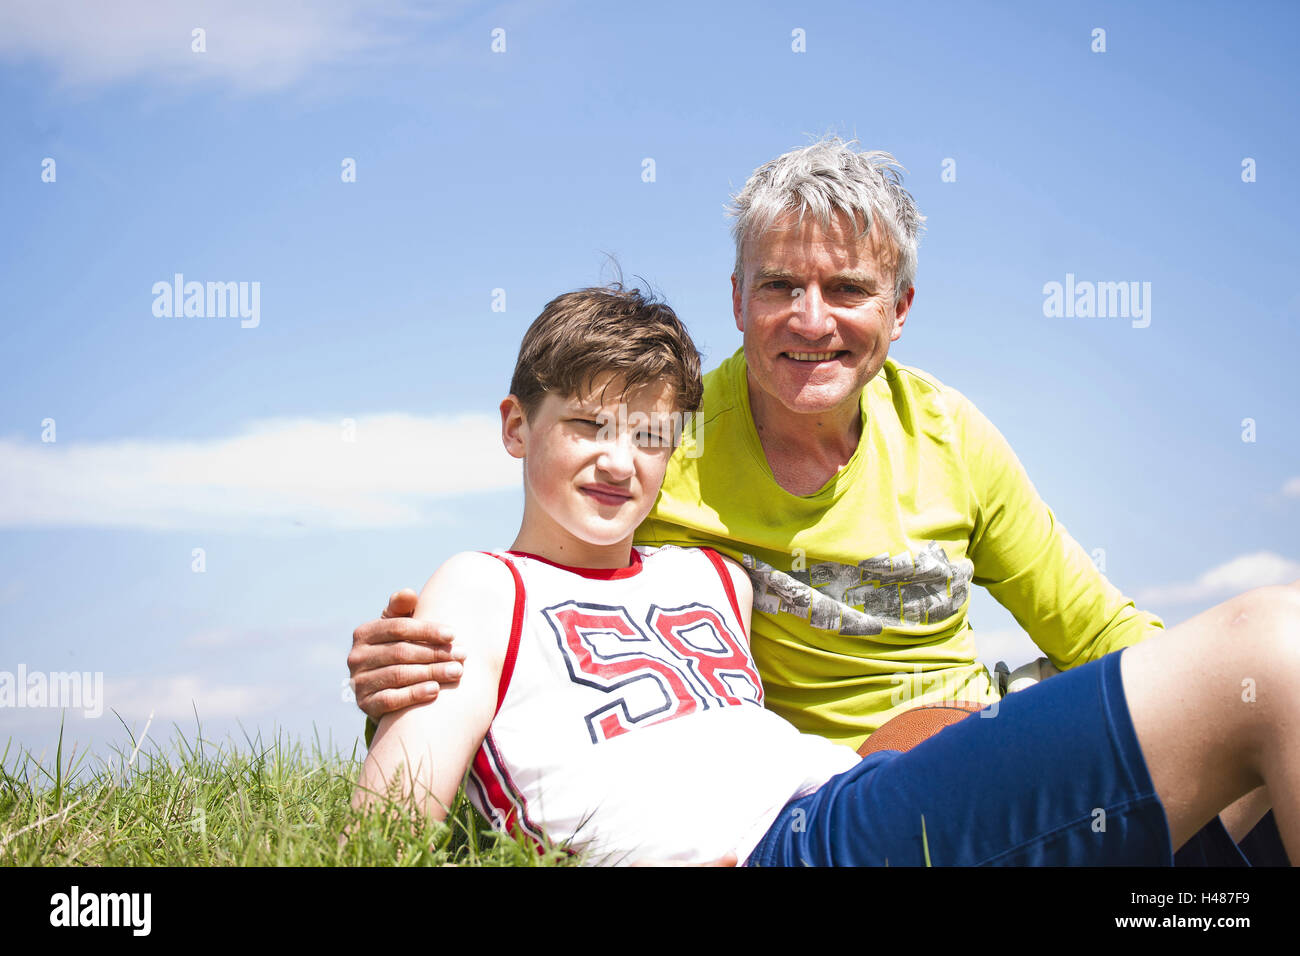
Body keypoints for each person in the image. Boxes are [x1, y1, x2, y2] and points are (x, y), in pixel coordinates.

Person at [348, 137, 1293, 863]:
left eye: (847, 288)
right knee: (1273, 647)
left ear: (899, 309)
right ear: (736, 299)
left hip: (947, 758)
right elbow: (543, 567)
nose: (811, 320)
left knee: (1244, 806)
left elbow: (1093, 623)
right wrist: (406, 668)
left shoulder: (941, 437)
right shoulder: (673, 435)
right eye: (778, 287)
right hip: (849, 814)